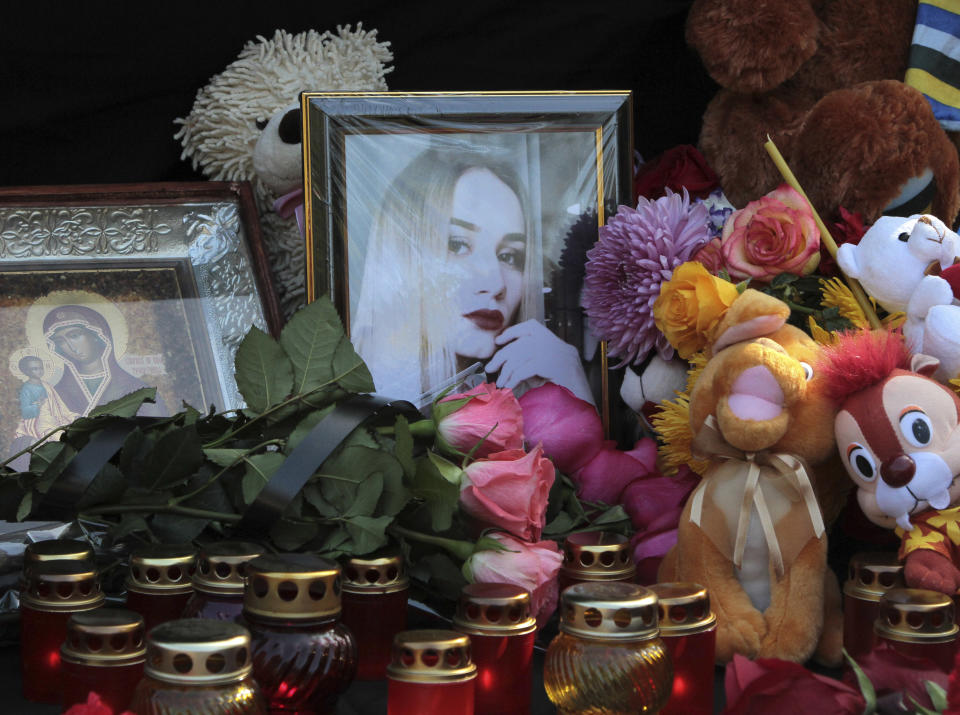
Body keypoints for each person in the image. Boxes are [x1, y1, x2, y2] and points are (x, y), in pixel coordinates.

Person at [352, 146, 593, 405]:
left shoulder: (527, 407)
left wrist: (576, 398)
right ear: (403, 256)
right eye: (457, 245)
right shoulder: (353, 403)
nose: (495, 284)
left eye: (509, 257)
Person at [42, 304, 167, 416]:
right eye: (60, 341)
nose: (70, 346)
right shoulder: (56, 394)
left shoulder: (135, 389)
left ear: (96, 336)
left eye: (74, 335)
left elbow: (158, 427)